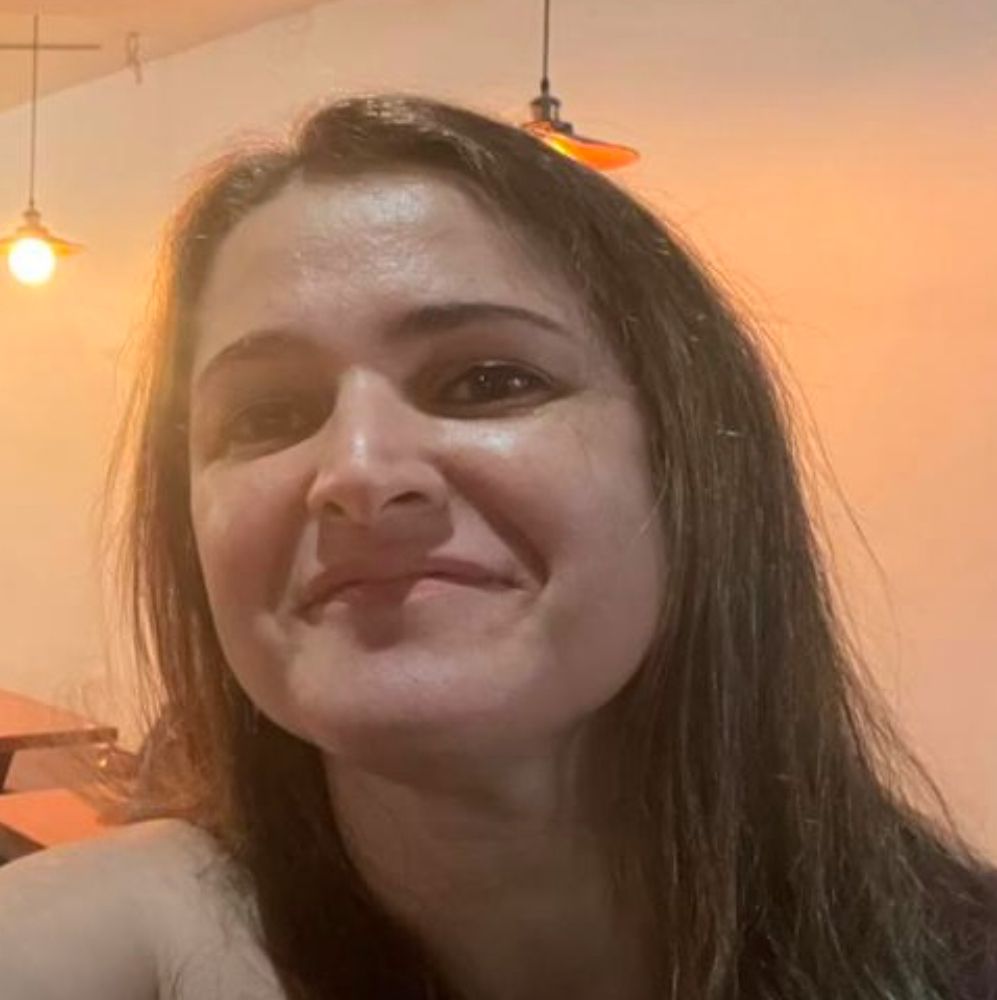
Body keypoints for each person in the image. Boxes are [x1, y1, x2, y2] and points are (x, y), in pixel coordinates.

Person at [0, 93, 994, 1000]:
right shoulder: (121, 941)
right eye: (267, 413)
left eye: (487, 381)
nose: (357, 469)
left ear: (691, 470)